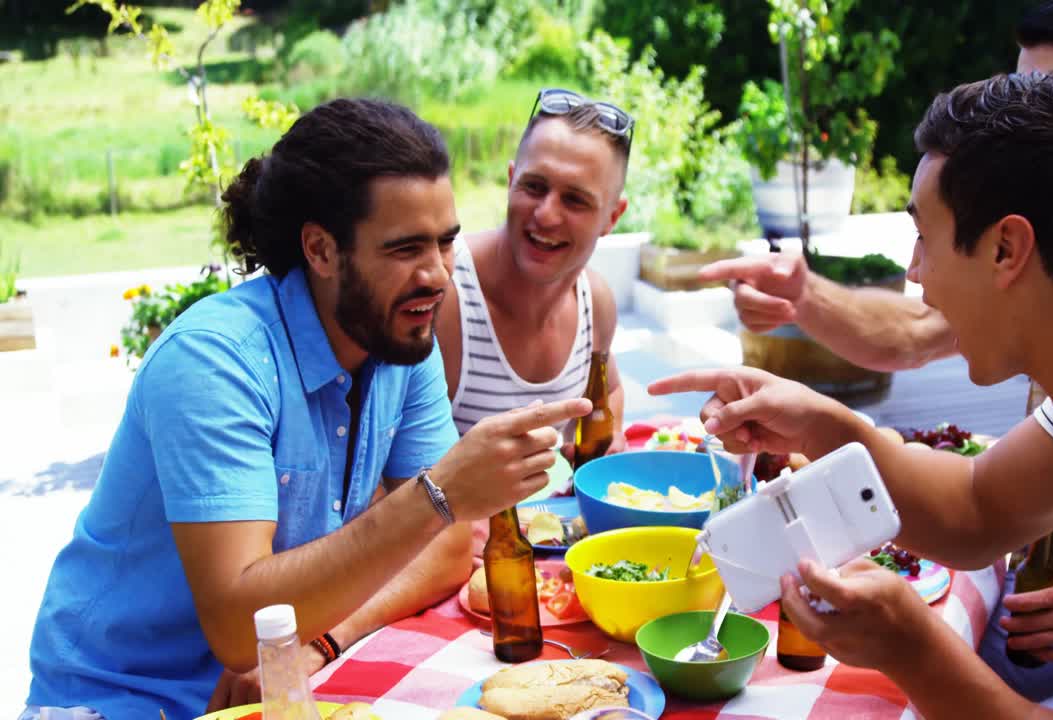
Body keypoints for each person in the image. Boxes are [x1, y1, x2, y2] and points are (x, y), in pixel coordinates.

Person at [704, 0, 1053, 712]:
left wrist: (911, 650)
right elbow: (977, 509)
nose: (915, 273)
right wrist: (821, 424)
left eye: (927, 241)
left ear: (1007, 248)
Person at [21, 98, 589, 720]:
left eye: (445, 243)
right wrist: (440, 494)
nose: (437, 275)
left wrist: (322, 641)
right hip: (121, 701)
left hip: (279, 691)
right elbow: (241, 630)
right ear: (320, 250)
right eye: (405, 249)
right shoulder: (215, 363)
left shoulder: (401, 335)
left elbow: (448, 550)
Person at [437, 89, 631, 464]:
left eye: (575, 200)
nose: (546, 215)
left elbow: (613, 391)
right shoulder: (445, 295)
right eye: (534, 186)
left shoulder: (596, 302)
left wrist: (607, 437)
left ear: (612, 217)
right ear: (511, 181)